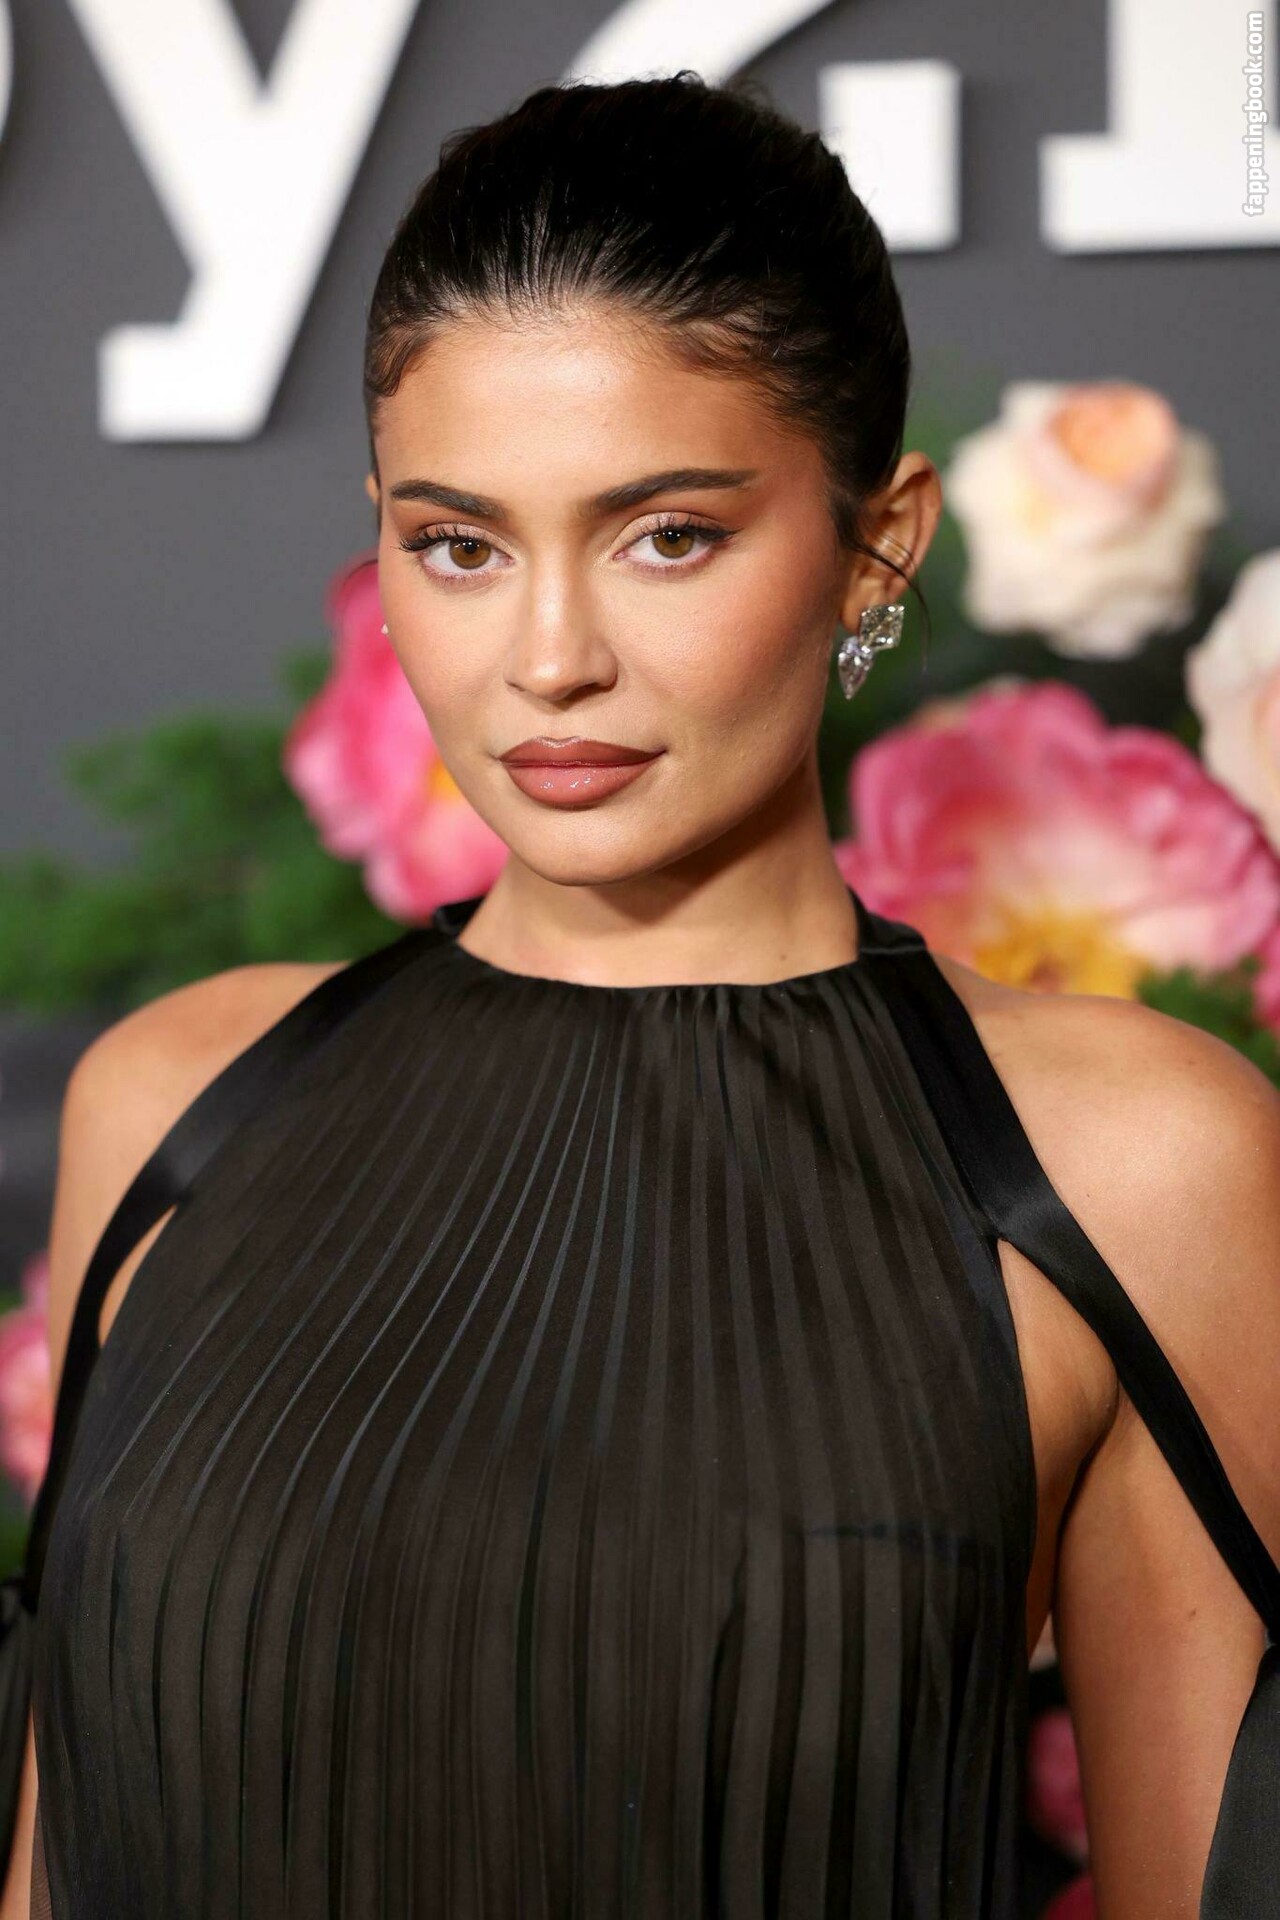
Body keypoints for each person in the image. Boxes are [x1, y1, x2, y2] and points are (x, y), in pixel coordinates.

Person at [6, 70, 1280, 1920]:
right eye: (459, 544)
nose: (548, 660)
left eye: (667, 533)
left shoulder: (1132, 1162)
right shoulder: (176, 1105)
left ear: (879, 541)